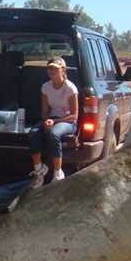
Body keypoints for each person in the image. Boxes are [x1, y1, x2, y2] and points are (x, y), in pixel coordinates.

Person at [29, 56, 78, 187]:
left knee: (53, 134)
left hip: (68, 122)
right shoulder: (45, 87)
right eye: (49, 68)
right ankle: (39, 170)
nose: (52, 71)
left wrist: (54, 122)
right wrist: (46, 121)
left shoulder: (70, 88)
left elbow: (74, 115)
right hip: (52, 119)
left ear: (63, 70)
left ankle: (58, 173)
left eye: (55, 69)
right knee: (33, 132)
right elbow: (45, 111)